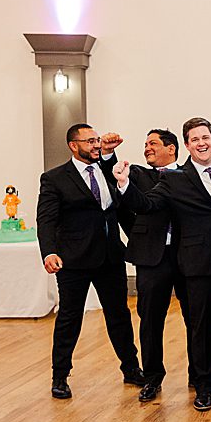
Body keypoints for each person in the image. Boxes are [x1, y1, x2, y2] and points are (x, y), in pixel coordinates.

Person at [112, 114, 211, 413]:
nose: (201, 143)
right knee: (194, 325)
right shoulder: (174, 179)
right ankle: (191, 383)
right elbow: (147, 205)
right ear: (187, 147)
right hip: (187, 260)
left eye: (206, 137)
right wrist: (124, 184)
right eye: (195, 139)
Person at [37, 124, 142, 399]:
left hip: (110, 257)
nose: (96, 145)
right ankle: (60, 376)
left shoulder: (107, 170)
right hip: (73, 260)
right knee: (70, 318)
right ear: (74, 145)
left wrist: (108, 150)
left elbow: (121, 202)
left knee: (119, 314)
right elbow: (46, 219)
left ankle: (131, 369)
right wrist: (49, 252)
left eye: (97, 140)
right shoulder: (55, 178)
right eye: (90, 141)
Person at [107, 129, 193, 402]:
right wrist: (109, 154)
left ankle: (201, 376)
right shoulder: (139, 175)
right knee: (151, 319)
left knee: (195, 317)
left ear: (172, 148)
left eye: (153, 143)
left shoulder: (190, 175)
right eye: (145, 144)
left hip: (187, 255)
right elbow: (117, 175)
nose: (147, 148)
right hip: (151, 257)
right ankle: (153, 377)